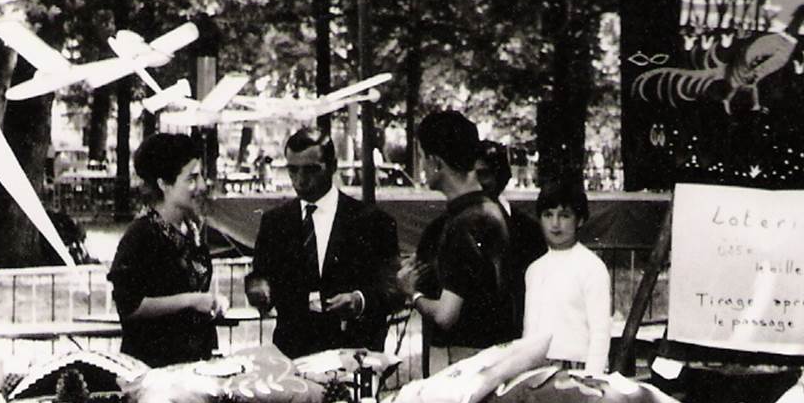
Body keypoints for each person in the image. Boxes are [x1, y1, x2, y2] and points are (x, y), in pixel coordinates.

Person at [244, 126, 401, 358]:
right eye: (292, 170)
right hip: (293, 353)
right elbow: (260, 275)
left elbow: (393, 288)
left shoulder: (373, 222)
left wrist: (359, 301)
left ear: (333, 166)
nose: (300, 180)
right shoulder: (274, 223)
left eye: (311, 170)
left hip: (354, 352)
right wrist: (258, 289)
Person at [401, 110, 516, 368]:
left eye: (422, 156)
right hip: (491, 357)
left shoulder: (465, 222)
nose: (422, 166)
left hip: (465, 363)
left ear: (436, 162)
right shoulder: (489, 209)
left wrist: (412, 293)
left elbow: (446, 315)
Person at [108, 132, 222, 367]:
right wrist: (190, 301)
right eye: (191, 178)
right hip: (154, 366)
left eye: (201, 176)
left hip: (196, 363)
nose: (201, 186)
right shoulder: (141, 235)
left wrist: (212, 303)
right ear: (164, 184)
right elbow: (129, 306)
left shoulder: (193, 230)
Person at [522, 180, 612, 374]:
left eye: (564, 216)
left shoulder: (592, 268)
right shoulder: (534, 270)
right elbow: (529, 330)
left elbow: (600, 332)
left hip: (576, 370)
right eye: (548, 215)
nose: (555, 224)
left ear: (579, 220)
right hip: (536, 369)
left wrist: (592, 378)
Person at [475, 139, 546, 332]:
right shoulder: (448, 225)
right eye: (470, 175)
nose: (477, 184)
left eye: (483, 174)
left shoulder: (529, 230)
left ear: (501, 177)